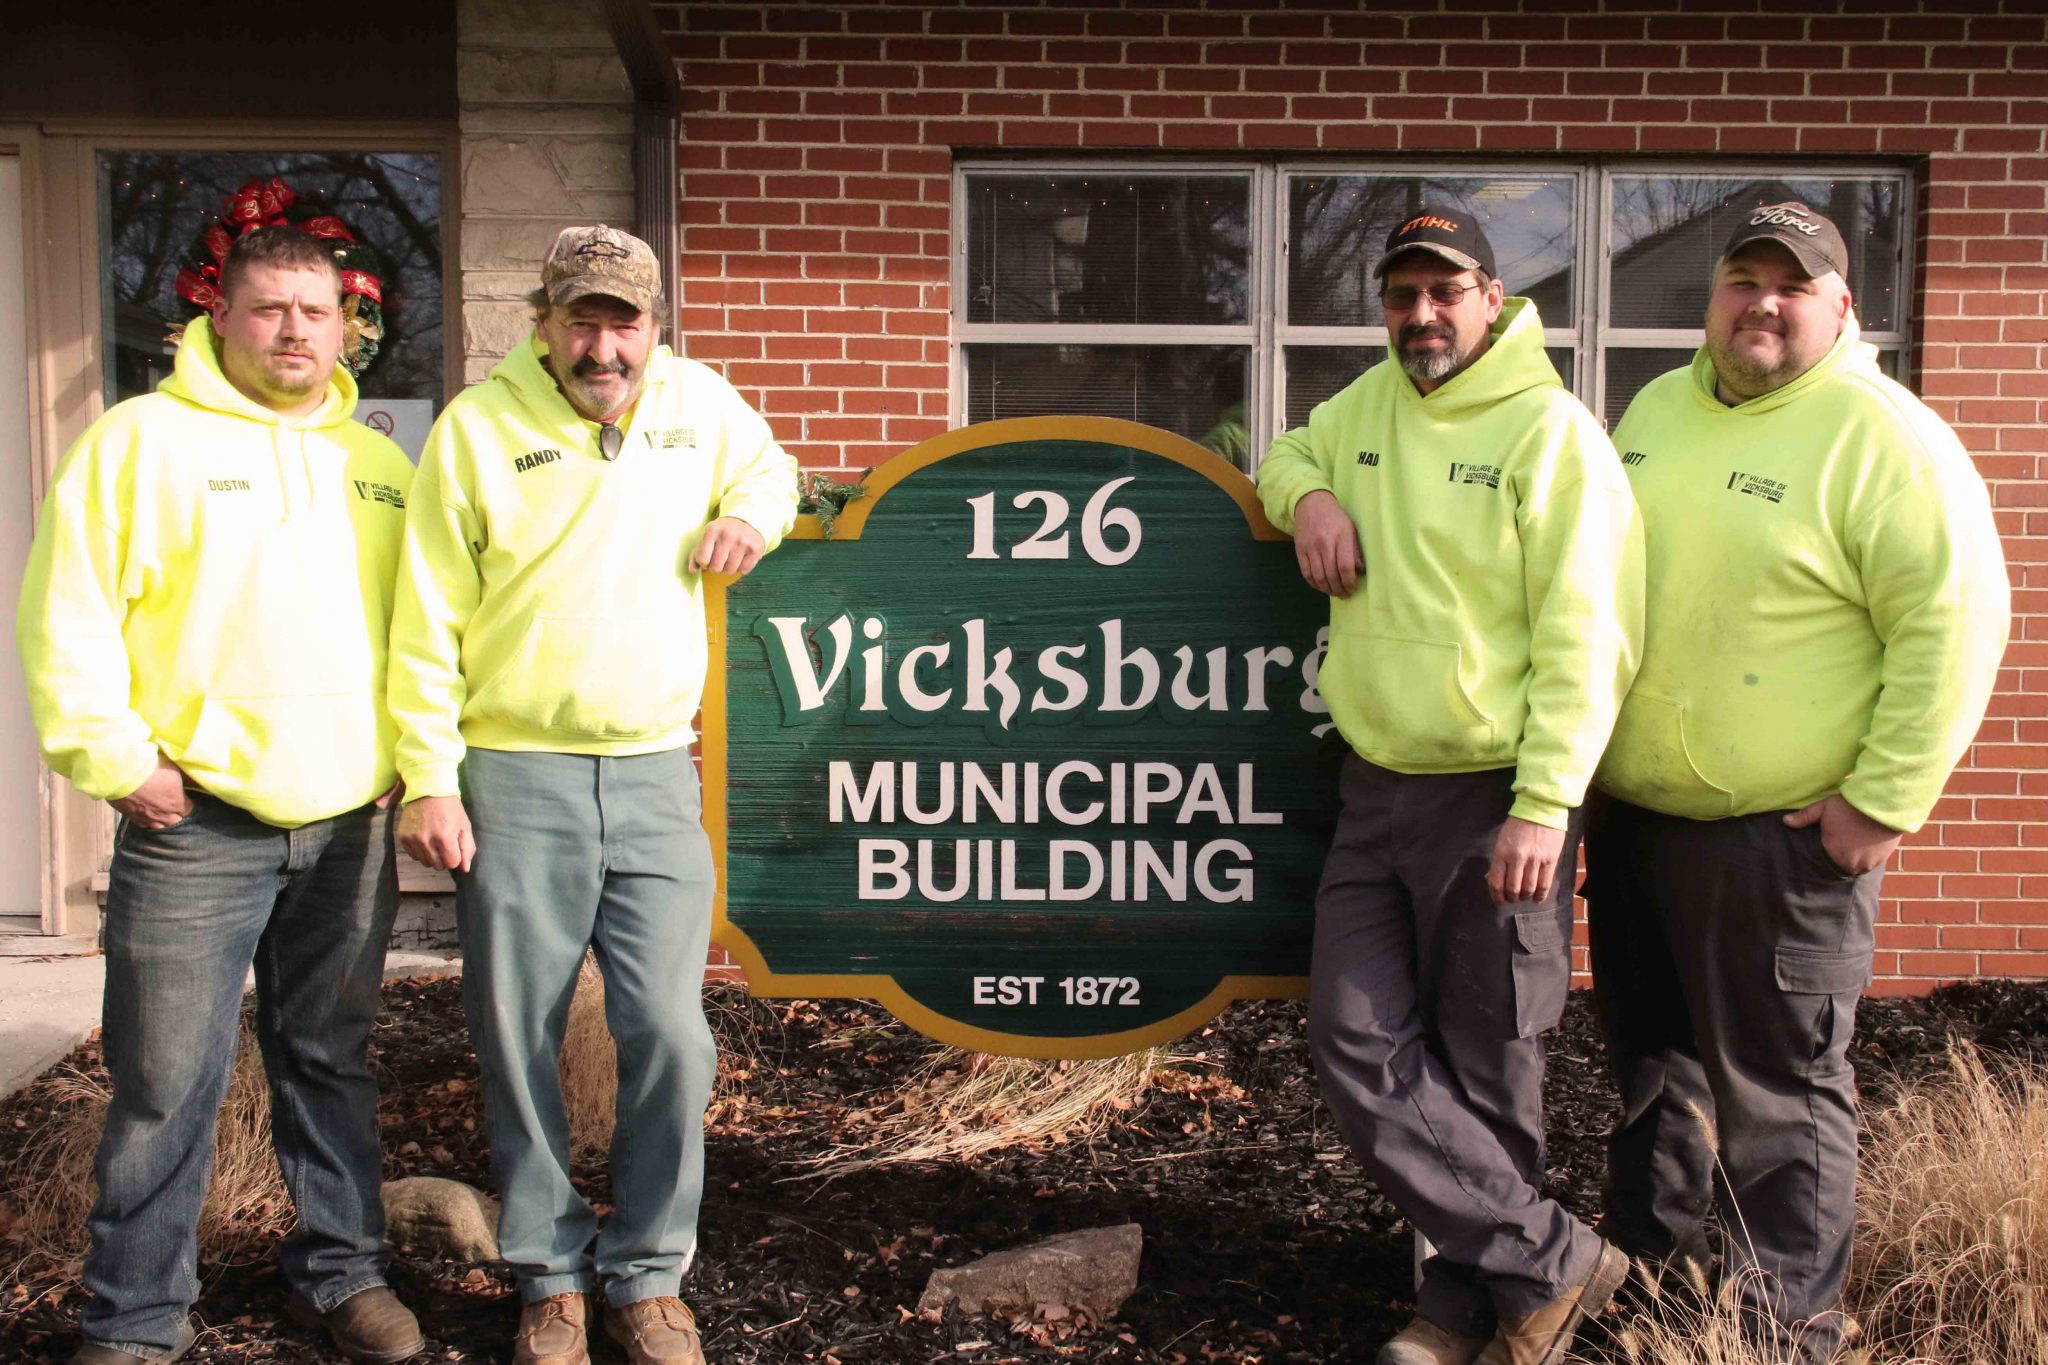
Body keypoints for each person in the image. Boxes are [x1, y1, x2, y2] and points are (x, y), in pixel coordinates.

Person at [1586, 201, 2010, 1361]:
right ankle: (1658, 1293)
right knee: (1652, 1078)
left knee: (1776, 1098)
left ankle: (1779, 1336)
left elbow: (1955, 623)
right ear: (1711, 297)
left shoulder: (1884, 438)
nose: (1761, 303)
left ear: (1840, 307)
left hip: (1776, 842)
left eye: (1791, 284)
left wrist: (1881, 801)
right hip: (1635, 825)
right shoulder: (1657, 410)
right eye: (1741, 279)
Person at [386, 224, 797, 1365]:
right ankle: (550, 1276)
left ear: (653, 327)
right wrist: (429, 775)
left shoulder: (698, 403)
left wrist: (750, 517)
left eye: (624, 322)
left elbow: (771, 469)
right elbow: (424, 616)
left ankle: (648, 1274)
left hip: (658, 769)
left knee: (669, 1032)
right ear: (545, 323)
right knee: (516, 1037)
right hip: (514, 773)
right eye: (582, 320)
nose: (602, 346)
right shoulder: (478, 427)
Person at [16, 225, 422, 1365]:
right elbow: (68, 613)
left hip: (348, 822)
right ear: (221, 315)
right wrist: (117, 762)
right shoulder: (137, 443)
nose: (294, 330)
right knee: (163, 1082)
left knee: (330, 1061)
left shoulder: (379, 466)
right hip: (195, 823)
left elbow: (424, 625)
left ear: (345, 326)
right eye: (270, 308)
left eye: (316, 311)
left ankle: (341, 1273)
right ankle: (136, 1318)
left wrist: (405, 754)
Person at [1256, 208, 1644, 1365]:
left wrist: (1544, 803)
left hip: (1494, 796)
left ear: (1491, 298)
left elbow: (1588, 636)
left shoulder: (1550, 433)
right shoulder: (1365, 406)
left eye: (1441, 292)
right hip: (1375, 785)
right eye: (1399, 295)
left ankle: (1467, 1310)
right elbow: (1285, 453)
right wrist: (1309, 498)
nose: (1419, 316)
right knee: (1352, 1038)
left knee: (1488, 1065)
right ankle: (1550, 1261)